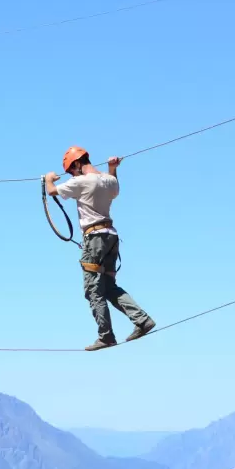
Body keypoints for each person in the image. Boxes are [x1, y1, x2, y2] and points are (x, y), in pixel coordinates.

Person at [44, 146, 155, 351]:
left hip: (94, 238)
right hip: (111, 237)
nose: (71, 174)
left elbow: (52, 191)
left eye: (71, 170)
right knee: (109, 286)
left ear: (77, 164)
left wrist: (48, 178)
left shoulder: (81, 181)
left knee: (93, 290)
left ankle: (106, 336)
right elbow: (113, 188)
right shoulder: (108, 180)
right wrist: (113, 168)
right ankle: (142, 320)